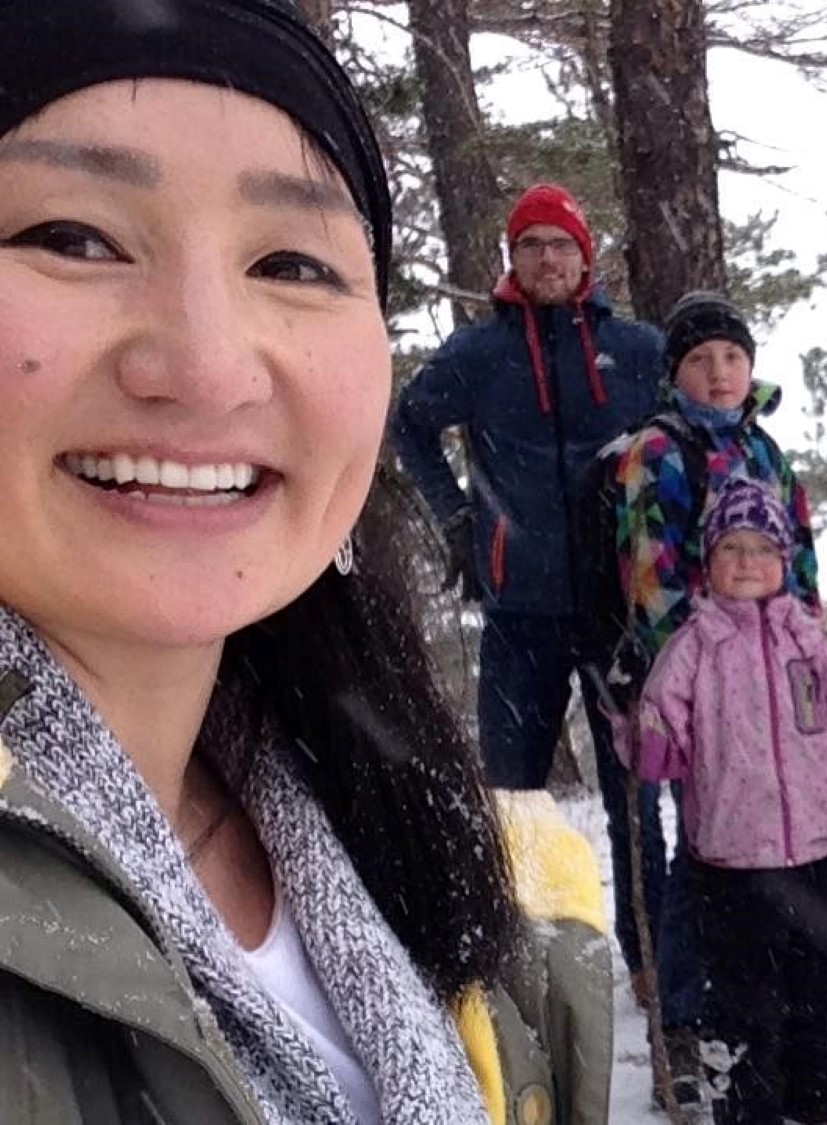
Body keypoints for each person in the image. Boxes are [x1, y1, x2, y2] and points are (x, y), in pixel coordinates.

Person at [0, 1, 611, 1121]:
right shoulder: (483, 354)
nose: (209, 367)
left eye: (291, 262)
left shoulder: (473, 890)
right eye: (72, 238)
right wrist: (477, 529)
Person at [389, 179, 669, 1007]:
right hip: (519, 611)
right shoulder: (481, 353)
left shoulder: (639, 350)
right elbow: (409, 420)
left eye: (562, 245)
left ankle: (653, 971)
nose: (548, 259)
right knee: (511, 800)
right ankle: (521, 966)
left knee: (634, 801)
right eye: (532, 245)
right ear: (511, 259)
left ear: (587, 257)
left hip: (620, 611)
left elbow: (679, 438)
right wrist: (457, 517)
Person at [602, 288, 820, 1092]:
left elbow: (798, 563)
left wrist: (806, 664)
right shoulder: (656, 451)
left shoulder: (768, 451)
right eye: (702, 359)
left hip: (775, 687)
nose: (721, 372)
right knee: (702, 855)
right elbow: (653, 583)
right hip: (703, 685)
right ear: (677, 373)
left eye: (732, 356)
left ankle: (772, 1004)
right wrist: (686, 690)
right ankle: (685, 1025)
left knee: (776, 843)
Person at [628, 480, 827, 1125]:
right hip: (730, 866)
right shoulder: (693, 648)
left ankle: (823, 1107)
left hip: (816, 857)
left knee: (820, 993)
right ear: (708, 562)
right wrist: (640, 727)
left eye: (762, 548)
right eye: (731, 547)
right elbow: (657, 747)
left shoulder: (810, 646)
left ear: (785, 561)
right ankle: (750, 1112)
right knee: (743, 1006)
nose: (747, 562)